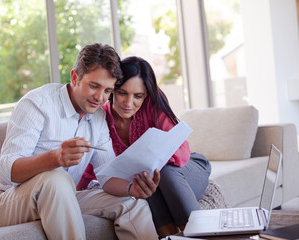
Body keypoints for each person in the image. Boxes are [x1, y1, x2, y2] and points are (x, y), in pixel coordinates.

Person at [0, 44, 160, 240]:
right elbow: (6, 170)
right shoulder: (37, 104)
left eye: (108, 90)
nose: (100, 98)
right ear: (75, 77)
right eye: (94, 86)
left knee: (132, 203)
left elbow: (107, 175)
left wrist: (131, 188)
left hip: (63, 197)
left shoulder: (98, 119)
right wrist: (55, 158)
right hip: (2, 201)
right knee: (57, 178)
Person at [77, 56, 211, 238]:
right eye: (122, 93)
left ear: (145, 95)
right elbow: (94, 167)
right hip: (151, 180)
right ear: (113, 90)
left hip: (186, 169)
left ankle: (201, 234)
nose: (128, 103)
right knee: (144, 184)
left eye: (137, 96)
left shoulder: (153, 108)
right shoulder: (101, 119)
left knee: (161, 173)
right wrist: (74, 192)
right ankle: (169, 236)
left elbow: (181, 155)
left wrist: (153, 160)